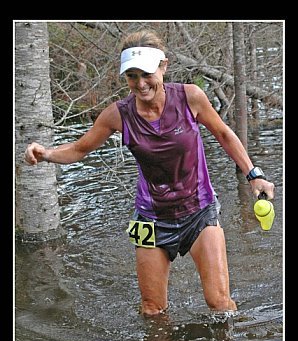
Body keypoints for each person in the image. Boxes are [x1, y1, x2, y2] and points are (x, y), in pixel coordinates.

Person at [24, 30, 275, 317]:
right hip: (151, 218)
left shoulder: (190, 97)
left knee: (219, 303)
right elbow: (81, 149)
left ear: (163, 67)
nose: (140, 84)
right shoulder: (118, 114)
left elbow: (223, 133)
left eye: (146, 74)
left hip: (199, 210)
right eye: (132, 76)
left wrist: (253, 174)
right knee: (152, 310)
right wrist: (47, 154)